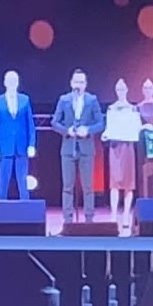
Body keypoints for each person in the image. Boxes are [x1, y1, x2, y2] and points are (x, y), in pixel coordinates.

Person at [52, 69, 102, 224]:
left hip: (86, 148)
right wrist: (67, 130)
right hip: (68, 148)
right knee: (67, 186)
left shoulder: (92, 100)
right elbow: (54, 122)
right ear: (71, 83)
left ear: (85, 84)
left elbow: (101, 123)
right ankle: (67, 220)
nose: (78, 85)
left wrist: (88, 130)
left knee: (88, 187)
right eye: (76, 82)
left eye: (81, 82)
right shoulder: (64, 100)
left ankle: (89, 219)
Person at [0, 69, 36, 205]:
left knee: (23, 182)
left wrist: (31, 144)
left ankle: (26, 209)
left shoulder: (25, 100)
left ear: (18, 82)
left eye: (14, 81)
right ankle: (1, 209)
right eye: (9, 81)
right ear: (4, 83)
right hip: (4, 147)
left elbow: (30, 125)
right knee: (3, 181)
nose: (12, 83)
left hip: (22, 147)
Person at [102, 79, 143, 228]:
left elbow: (137, 127)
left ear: (127, 90)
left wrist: (143, 128)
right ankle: (114, 215)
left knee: (128, 182)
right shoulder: (111, 108)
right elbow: (109, 127)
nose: (120, 92)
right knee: (114, 182)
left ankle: (126, 215)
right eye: (118, 89)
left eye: (123, 89)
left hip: (128, 146)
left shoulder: (133, 109)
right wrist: (106, 134)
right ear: (116, 91)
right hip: (115, 147)